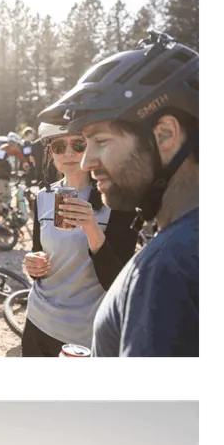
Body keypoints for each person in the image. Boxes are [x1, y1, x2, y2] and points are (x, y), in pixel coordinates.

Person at [39, 30, 205, 361]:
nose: (86, 161)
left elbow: (147, 412)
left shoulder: (165, 268)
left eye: (100, 140)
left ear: (165, 134)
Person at [19, 120, 138, 360]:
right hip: (37, 320)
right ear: (51, 153)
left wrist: (92, 230)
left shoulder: (119, 203)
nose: (69, 153)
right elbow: (38, 253)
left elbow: (117, 284)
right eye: (60, 146)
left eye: (79, 144)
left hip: (84, 334)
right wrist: (33, 264)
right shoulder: (43, 197)